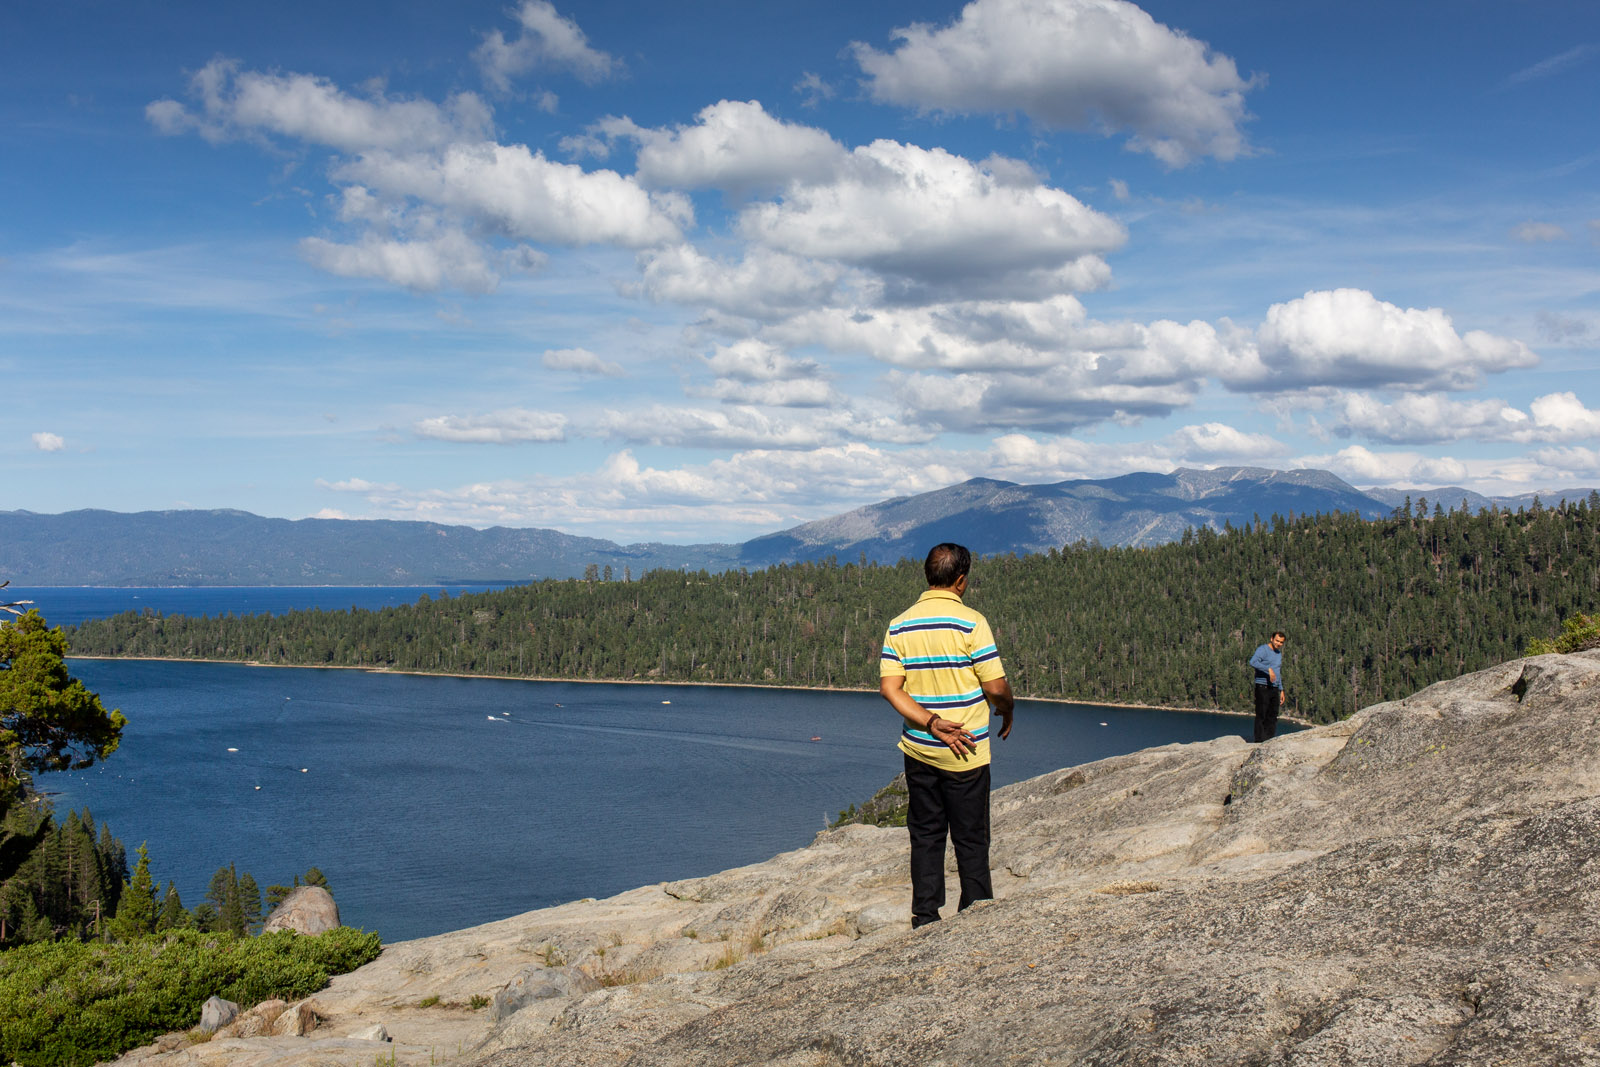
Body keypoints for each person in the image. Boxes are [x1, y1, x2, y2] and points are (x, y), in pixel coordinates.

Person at [879, 543, 1015, 928]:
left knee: (925, 833)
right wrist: (1008, 709)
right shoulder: (972, 622)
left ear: (927, 577)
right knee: (971, 836)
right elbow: (996, 688)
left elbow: (891, 689)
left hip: (920, 749)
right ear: (961, 580)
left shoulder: (900, 624)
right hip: (967, 752)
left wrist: (930, 722)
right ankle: (975, 911)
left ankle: (925, 915)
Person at [1249, 631, 1287, 742]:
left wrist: (1281, 689)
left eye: (1281, 642)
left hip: (1275, 688)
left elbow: (1278, 672)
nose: (1278, 643)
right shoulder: (1263, 650)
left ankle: (1269, 741)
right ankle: (1259, 741)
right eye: (1277, 641)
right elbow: (1253, 662)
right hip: (1263, 687)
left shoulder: (1278, 654)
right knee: (1262, 715)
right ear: (1271, 639)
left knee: (1273, 715)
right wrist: (1268, 669)